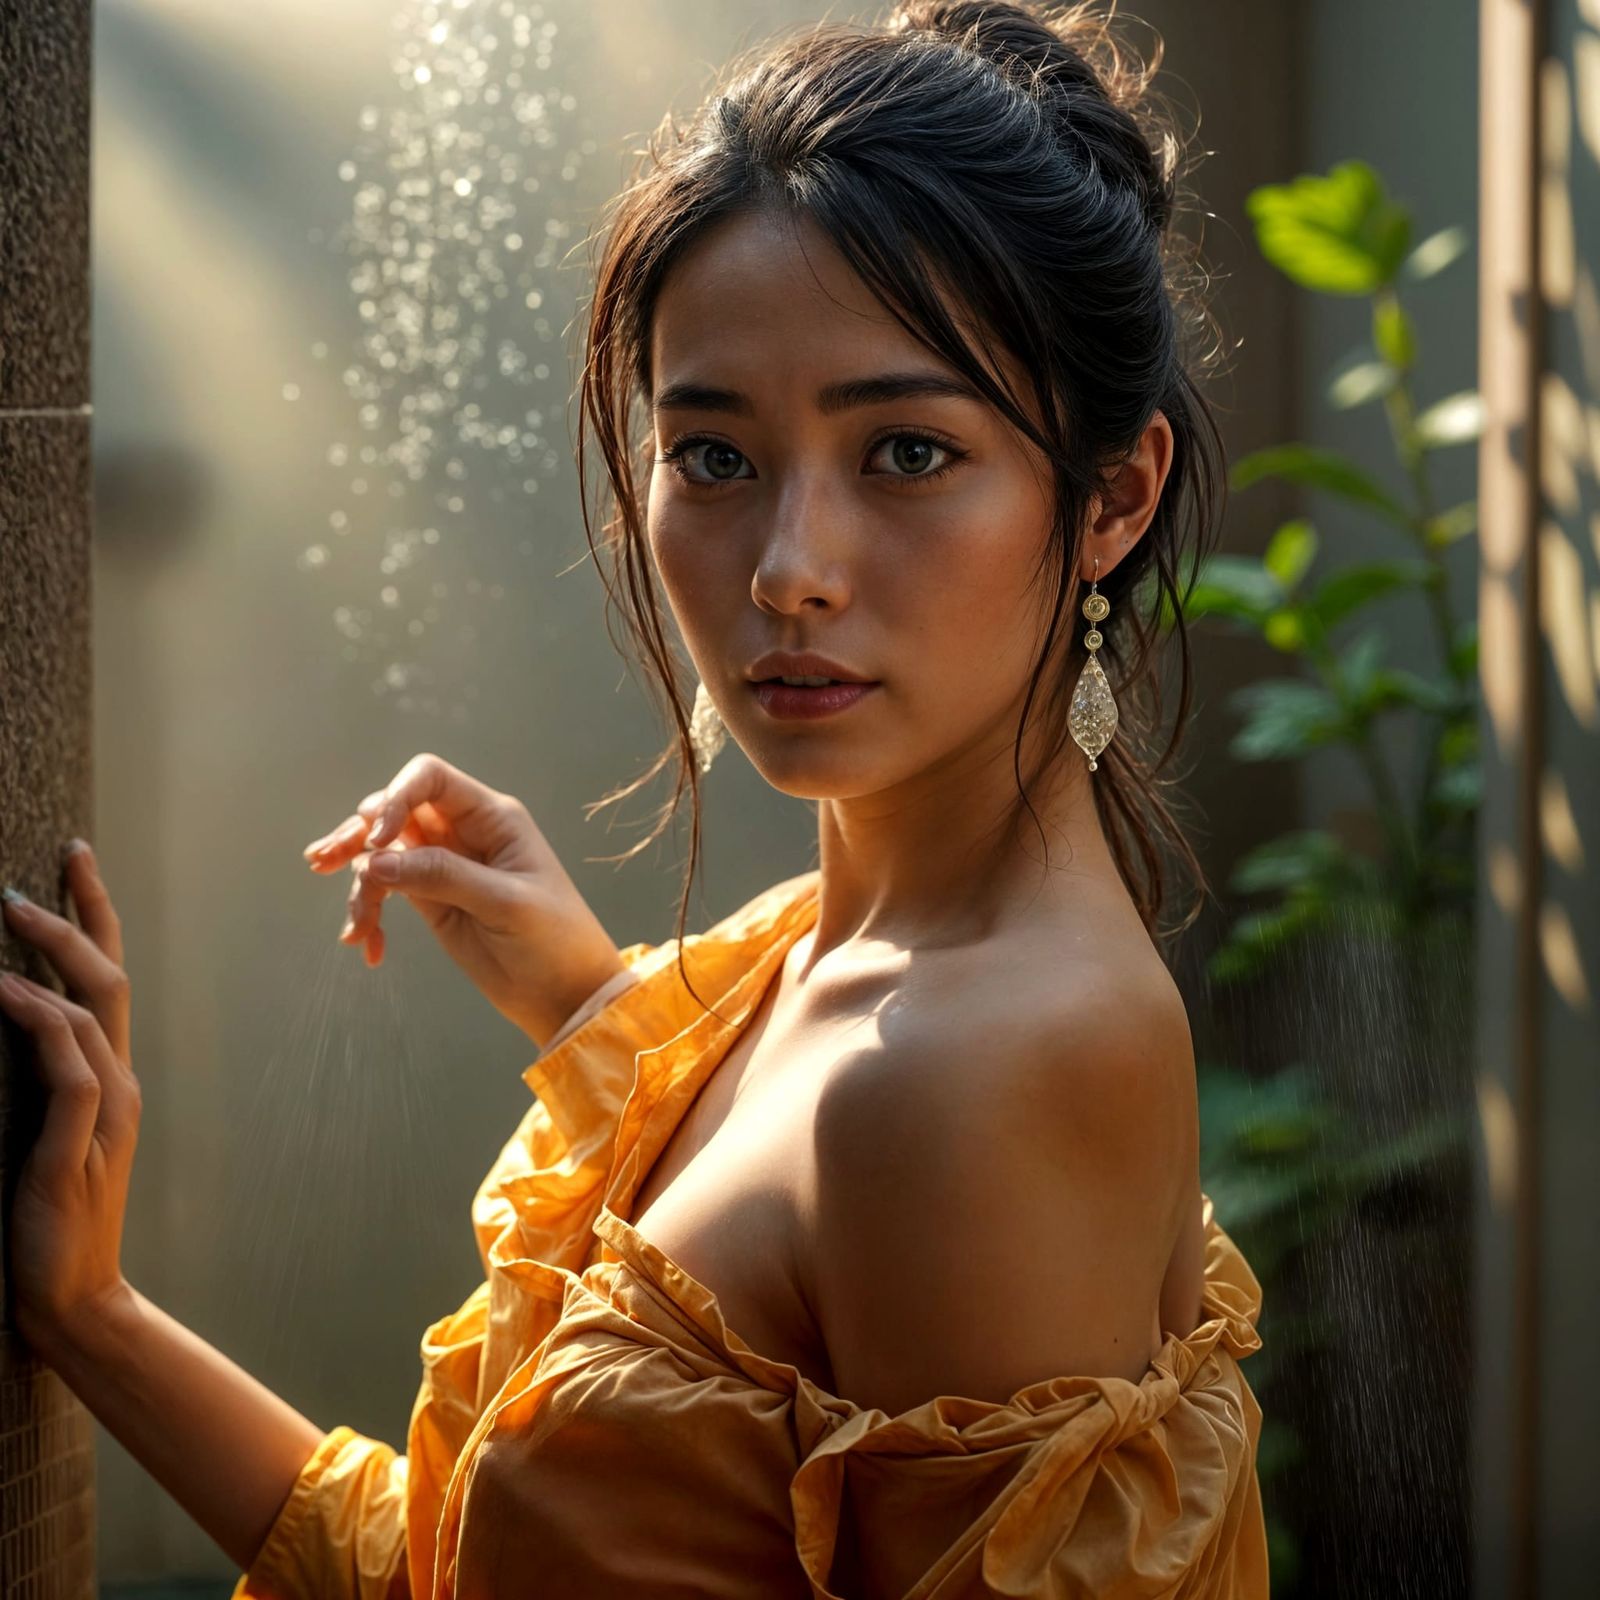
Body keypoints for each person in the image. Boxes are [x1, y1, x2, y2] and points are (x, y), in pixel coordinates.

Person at [1, 2, 1268, 1594]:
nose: (790, 571)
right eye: (715, 457)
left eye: (906, 454)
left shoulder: (984, 1065)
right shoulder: (800, 967)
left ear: (1112, 501)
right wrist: (91, 1313)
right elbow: (488, 1563)